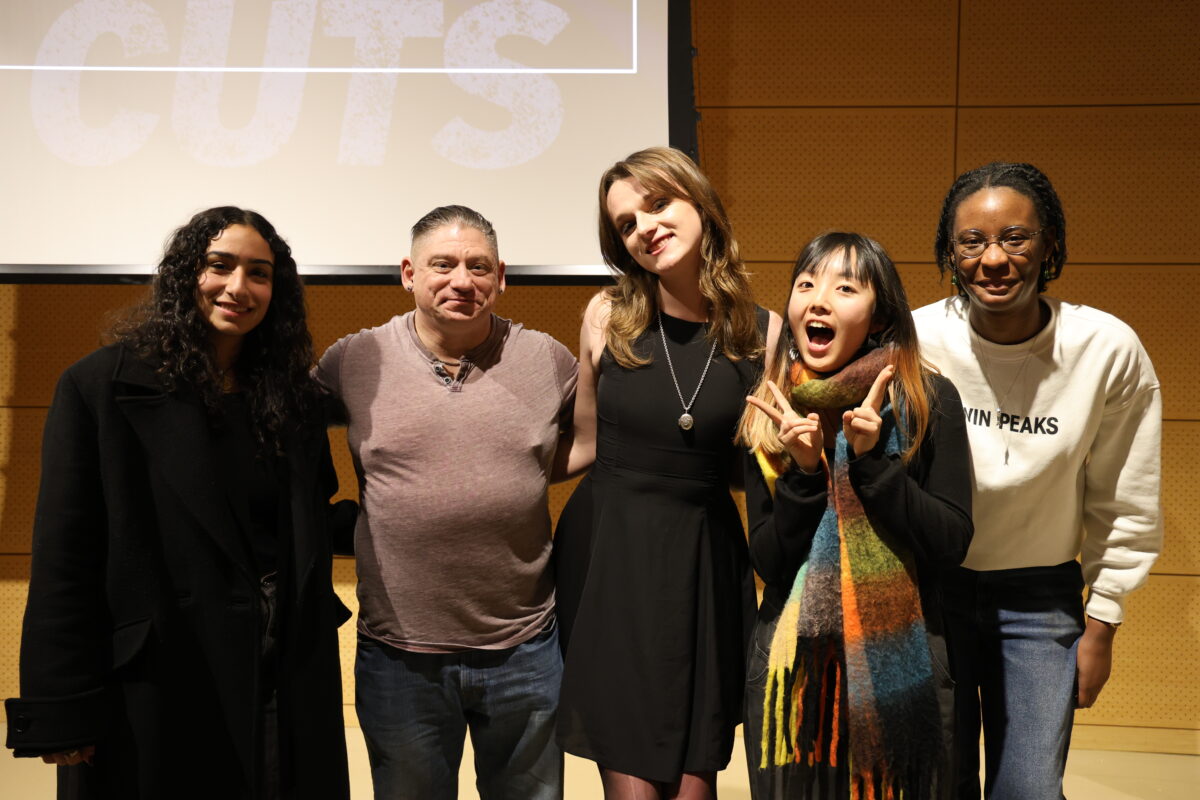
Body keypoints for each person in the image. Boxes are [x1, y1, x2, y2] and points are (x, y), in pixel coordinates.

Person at [4, 207, 354, 799]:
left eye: (259, 273)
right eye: (219, 265)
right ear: (184, 273)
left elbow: (308, 520)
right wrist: (60, 704)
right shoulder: (101, 387)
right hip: (156, 676)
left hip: (280, 672)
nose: (238, 288)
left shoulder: (293, 397)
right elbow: (65, 556)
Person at [913, 162, 1162, 800]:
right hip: (930, 594)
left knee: (1028, 787)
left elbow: (1125, 503)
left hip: (1039, 601)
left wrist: (1101, 625)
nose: (993, 258)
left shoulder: (1107, 349)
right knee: (937, 784)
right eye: (972, 242)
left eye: (1016, 238)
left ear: (1050, 244)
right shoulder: (917, 338)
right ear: (950, 251)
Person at [315, 205, 578, 800]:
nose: (462, 280)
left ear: (501, 277)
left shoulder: (547, 358)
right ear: (408, 273)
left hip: (526, 648)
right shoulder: (356, 359)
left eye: (478, 266)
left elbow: (597, 439)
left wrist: (530, 471)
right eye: (443, 264)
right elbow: (278, 430)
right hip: (398, 655)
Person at [554, 146, 779, 800]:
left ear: (699, 204)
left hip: (703, 563)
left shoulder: (766, 334)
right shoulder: (607, 316)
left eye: (657, 205)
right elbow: (585, 442)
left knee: (692, 785)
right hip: (609, 557)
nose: (645, 227)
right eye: (626, 224)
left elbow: (756, 473)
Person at [738, 233, 972, 800]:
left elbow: (950, 540)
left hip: (906, 660)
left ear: (880, 314)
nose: (818, 300)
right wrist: (804, 472)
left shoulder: (925, 400)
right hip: (794, 672)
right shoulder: (771, 411)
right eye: (806, 285)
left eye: (845, 287)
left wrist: (873, 466)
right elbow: (769, 559)